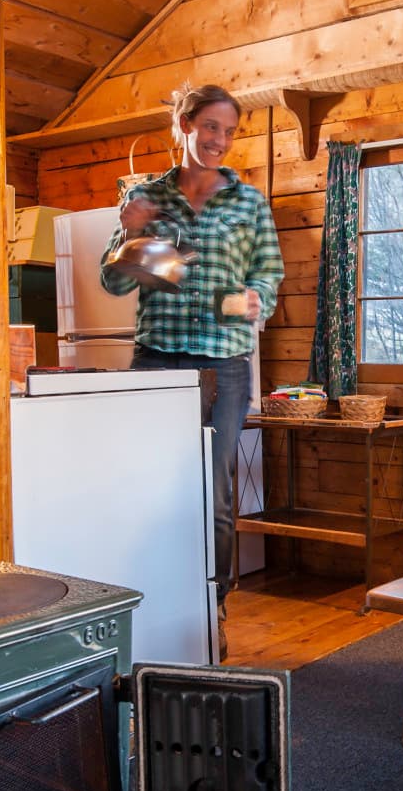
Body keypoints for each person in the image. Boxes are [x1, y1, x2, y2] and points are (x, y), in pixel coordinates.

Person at [102, 84, 283, 644]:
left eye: (229, 132)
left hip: (224, 368)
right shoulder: (147, 196)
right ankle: (151, 599)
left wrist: (255, 297)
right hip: (156, 362)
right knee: (150, 485)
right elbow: (111, 280)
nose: (220, 141)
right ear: (184, 124)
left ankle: (212, 606)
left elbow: (268, 274)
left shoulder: (249, 202)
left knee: (214, 494)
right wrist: (130, 231)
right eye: (210, 127)